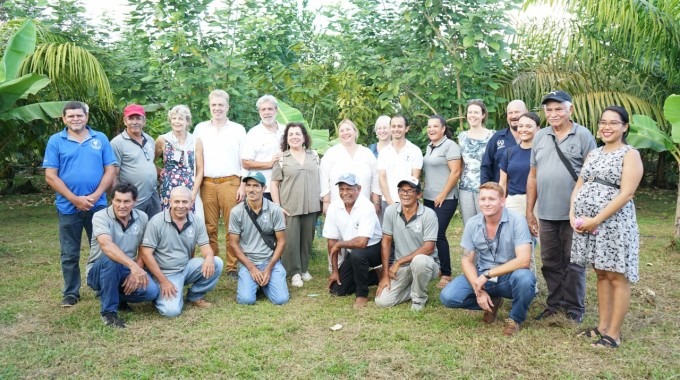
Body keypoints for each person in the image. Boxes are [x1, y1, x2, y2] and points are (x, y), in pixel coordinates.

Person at [570, 106, 643, 348]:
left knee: (616, 275)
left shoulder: (629, 154)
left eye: (613, 123)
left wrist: (597, 218)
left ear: (625, 127)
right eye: (603, 122)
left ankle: (614, 333)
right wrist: (573, 213)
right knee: (601, 272)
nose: (607, 127)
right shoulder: (594, 153)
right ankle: (601, 326)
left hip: (613, 224)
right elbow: (580, 185)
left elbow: (627, 193)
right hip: (588, 224)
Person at [527, 90, 596, 323]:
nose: (553, 113)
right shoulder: (540, 136)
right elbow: (533, 176)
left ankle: (575, 308)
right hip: (545, 213)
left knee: (574, 262)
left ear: (570, 110)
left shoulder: (583, 136)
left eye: (558, 108)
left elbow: (592, 176)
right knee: (550, 262)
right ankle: (554, 304)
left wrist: (585, 212)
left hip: (574, 215)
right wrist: (530, 210)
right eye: (549, 109)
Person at [43, 101, 117, 307]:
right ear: (64, 119)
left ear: (86, 117)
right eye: (71, 116)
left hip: (98, 205)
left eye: (79, 115)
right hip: (68, 207)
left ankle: (102, 287)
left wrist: (95, 196)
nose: (76, 119)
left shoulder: (100, 138)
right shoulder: (56, 141)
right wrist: (75, 199)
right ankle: (71, 292)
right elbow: (50, 176)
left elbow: (110, 170)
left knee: (104, 248)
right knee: (69, 252)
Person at [440, 182, 536, 336]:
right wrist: (478, 289)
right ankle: (492, 303)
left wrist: (487, 275)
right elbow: (466, 259)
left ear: (502, 201)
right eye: (482, 199)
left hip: (508, 277)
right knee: (448, 297)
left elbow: (524, 260)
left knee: (525, 278)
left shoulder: (517, 221)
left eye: (491, 199)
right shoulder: (473, 223)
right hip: (482, 275)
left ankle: (515, 319)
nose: (486, 203)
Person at [140, 186, 224, 317]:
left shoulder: (196, 221)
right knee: (171, 311)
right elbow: (146, 253)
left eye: (185, 202)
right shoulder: (156, 221)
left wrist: (208, 257)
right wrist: (163, 281)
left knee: (217, 262)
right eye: (177, 201)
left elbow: (206, 247)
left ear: (191, 203)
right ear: (169, 202)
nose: (181, 206)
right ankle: (159, 295)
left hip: (186, 268)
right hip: (165, 273)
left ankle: (195, 295)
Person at [85, 182, 159, 328]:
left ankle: (112, 294)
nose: (122, 205)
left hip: (126, 269)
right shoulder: (100, 216)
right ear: (111, 200)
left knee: (151, 292)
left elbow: (144, 247)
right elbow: (106, 245)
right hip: (99, 271)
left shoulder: (142, 217)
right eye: (118, 201)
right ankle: (109, 313)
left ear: (135, 201)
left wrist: (135, 270)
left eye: (127, 201)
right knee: (112, 260)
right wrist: (133, 267)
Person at [193, 90, 247, 278]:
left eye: (221, 105)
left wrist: (243, 185)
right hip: (207, 183)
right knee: (209, 226)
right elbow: (195, 158)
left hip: (231, 182)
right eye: (214, 105)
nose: (217, 108)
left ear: (227, 107)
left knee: (232, 225)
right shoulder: (200, 128)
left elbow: (244, 159)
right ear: (210, 107)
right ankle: (212, 262)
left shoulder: (238, 129)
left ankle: (232, 266)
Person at [375, 177, 439, 311]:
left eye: (410, 190)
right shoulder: (391, 211)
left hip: (426, 264)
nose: (405, 194)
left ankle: (418, 299)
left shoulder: (429, 214)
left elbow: (429, 248)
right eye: (402, 190)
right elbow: (386, 242)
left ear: (419, 194)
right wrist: (385, 274)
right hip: (402, 268)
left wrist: (398, 262)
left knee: (419, 261)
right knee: (382, 301)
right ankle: (413, 288)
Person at [271, 122, 321, 288]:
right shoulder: (281, 159)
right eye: (291, 134)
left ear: (304, 136)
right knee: (291, 240)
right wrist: (277, 205)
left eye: (297, 134)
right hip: (290, 206)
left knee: (307, 239)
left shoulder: (314, 155)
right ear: (286, 138)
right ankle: (294, 272)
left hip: (311, 205)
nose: (294, 137)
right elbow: (274, 184)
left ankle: (304, 268)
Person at [324, 173, 383, 308]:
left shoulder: (366, 206)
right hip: (353, 249)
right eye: (341, 189)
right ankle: (376, 275)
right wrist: (335, 271)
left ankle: (362, 295)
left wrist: (340, 244)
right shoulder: (334, 207)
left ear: (359, 189)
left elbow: (362, 242)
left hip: (374, 249)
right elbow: (331, 242)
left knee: (357, 255)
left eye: (349, 189)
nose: (345, 193)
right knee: (337, 290)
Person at [229, 172, 289, 305]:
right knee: (246, 300)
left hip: (270, 261)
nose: (251, 189)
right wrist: (251, 268)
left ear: (264, 188)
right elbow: (233, 244)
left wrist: (269, 267)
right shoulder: (236, 212)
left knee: (281, 299)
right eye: (248, 185)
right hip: (248, 262)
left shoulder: (275, 210)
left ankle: (262, 283)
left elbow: (281, 241)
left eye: (256, 186)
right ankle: (258, 282)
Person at [422, 115, 461, 289]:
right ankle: (436, 267)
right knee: (429, 234)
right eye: (429, 126)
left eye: (435, 126)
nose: (431, 129)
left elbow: (455, 172)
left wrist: (442, 194)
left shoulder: (450, 146)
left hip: (445, 198)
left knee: (438, 234)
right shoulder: (429, 147)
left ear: (443, 128)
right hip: (429, 197)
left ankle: (446, 274)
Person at [320, 119, 381, 215]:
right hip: (337, 205)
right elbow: (323, 177)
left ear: (355, 131)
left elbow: (376, 179)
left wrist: (376, 202)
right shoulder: (331, 153)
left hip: (363, 205)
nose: (345, 133)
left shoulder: (367, 153)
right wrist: (326, 201)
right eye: (342, 131)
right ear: (338, 134)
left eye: (348, 129)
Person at [110, 104, 161, 217]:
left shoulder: (149, 140)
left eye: (138, 118)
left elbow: (148, 163)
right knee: (134, 231)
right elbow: (113, 173)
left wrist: (160, 171)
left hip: (152, 195)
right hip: (132, 199)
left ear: (144, 121)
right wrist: (118, 199)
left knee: (155, 230)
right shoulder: (117, 143)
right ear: (125, 121)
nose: (135, 122)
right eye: (131, 118)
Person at [155, 105, 204, 219]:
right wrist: (158, 170)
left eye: (181, 119)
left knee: (189, 218)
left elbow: (200, 169)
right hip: (168, 187)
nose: (177, 122)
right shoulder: (163, 140)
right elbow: (148, 161)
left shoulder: (195, 141)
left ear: (187, 122)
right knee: (168, 218)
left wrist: (194, 192)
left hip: (189, 186)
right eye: (174, 118)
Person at [241, 95, 285, 201]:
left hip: (285, 187)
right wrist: (269, 164)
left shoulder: (286, 130)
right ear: (259, 112)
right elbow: (246, 162)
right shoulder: (253, 133)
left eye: (270, 109)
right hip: (262, 188)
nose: (267, 112)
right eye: (263, 109)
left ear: (276, 110)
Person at [458, 99, 494, 224]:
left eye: (476, 112)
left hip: (486, 187)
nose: (472, 115)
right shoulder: (461, 137)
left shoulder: (492, 136)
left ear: (483, 115)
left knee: (487, 224)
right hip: (466, 188)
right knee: (469, 225)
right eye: (470, 112)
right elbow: (461, 164)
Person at [377, 115, 423, 210]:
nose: (396, 129)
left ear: (406, 129)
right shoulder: (383, 152)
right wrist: (390, 201)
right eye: (393, 126)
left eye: (400, 126)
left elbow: (415, 178)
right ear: (390, 128)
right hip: (387, 201)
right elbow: (382, 178)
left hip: (409, 201)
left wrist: (407, 200)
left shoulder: (415, 150)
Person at [499, 112, 540, 215]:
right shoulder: (509, 153)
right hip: (514, 202)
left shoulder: (543, 152)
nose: (523, 129)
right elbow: (503, 183)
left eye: (529, 126)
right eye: (520, 126)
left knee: (537, 231)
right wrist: (500, 202)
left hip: (538, 201)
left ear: (538, 129)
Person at [480, 100, 529, 184]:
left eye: (517, 112)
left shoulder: (536, 138)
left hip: (531, 192)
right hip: (501, 193)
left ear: (526, 112)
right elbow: (486, 166)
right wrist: (485, 189)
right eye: (510, 113)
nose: (513, 116)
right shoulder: (497, 137)